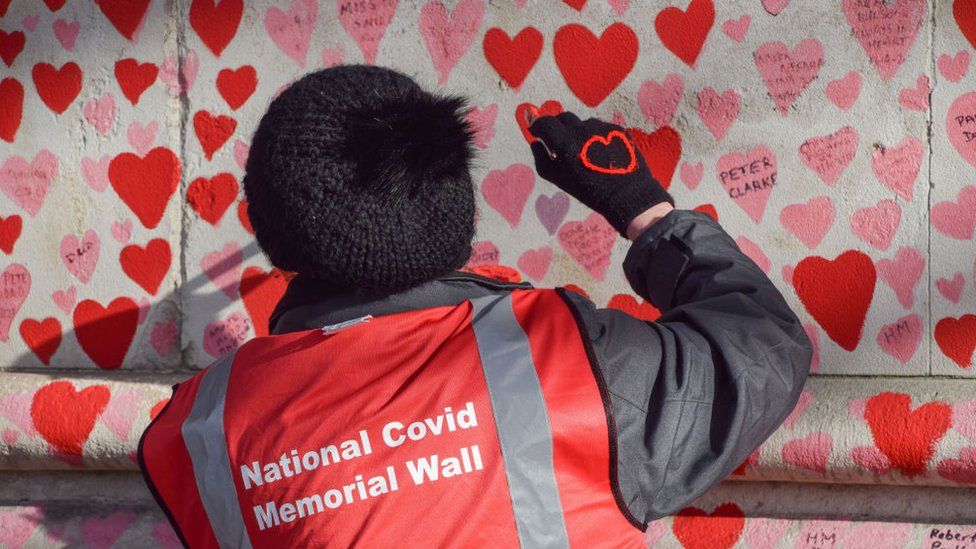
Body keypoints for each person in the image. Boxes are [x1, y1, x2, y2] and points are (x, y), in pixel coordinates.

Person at [138, 65, 812, 548]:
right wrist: (646, 213)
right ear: (455, 211)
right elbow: (763, 348)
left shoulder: (197, 432)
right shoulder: (566, 362)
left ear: (267, 230)